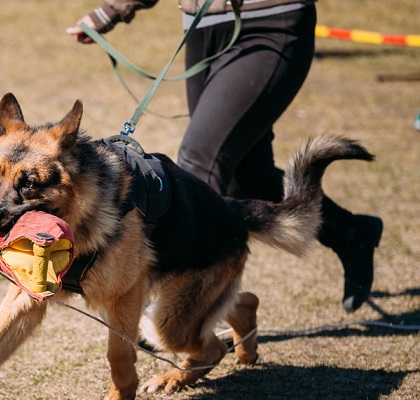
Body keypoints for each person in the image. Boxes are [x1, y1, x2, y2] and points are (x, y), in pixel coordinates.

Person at [67, 0, 383, 313]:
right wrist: (111, 10)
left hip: (271, 23)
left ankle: (188, 305)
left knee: (200, 161)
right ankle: (351, 234)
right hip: (202, 27)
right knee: (248, 176)